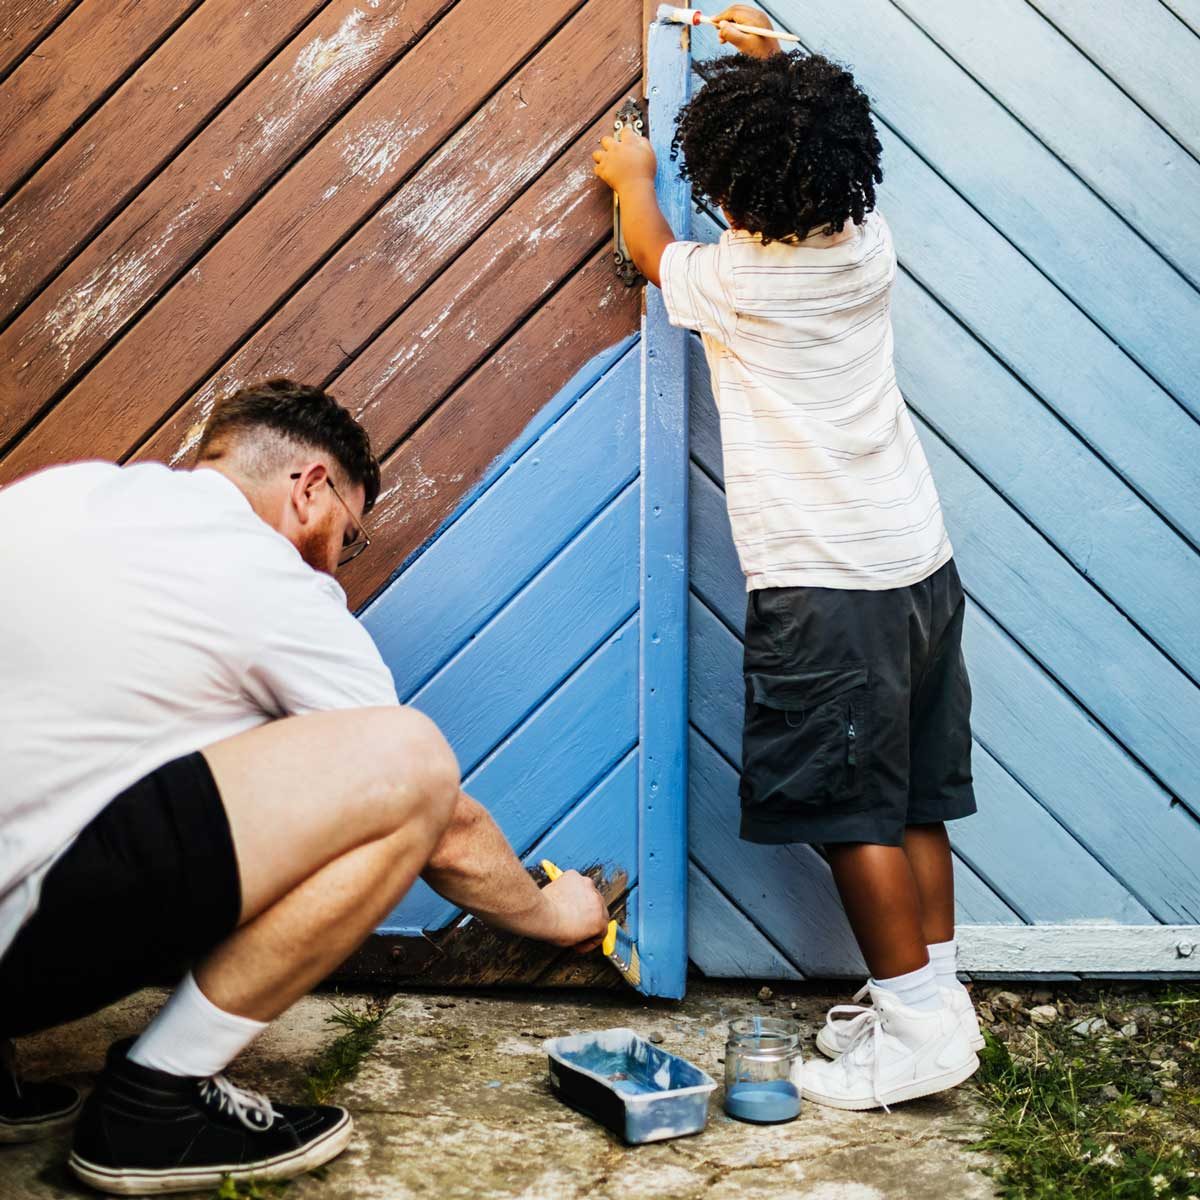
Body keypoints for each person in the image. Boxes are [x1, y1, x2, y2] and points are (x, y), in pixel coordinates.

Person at [0, 379, 609, 1192]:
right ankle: (155, 1101)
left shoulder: (62, 493)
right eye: (348, 538)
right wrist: (552, 911)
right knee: (410, 759)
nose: (338, 561)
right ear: (311, 487)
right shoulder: (266, 576)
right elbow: (439, 818)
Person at [593, 7, 981, 1110]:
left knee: (850, 817)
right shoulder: (865, 246)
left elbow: (651, 252)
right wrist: (772, 59)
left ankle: (914, 1036)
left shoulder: (739, 285)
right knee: (914, 802)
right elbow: (798, 155)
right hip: (916, 566)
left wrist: (630, 177)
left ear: (738, 194)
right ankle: (932, 997)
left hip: (827, 589)